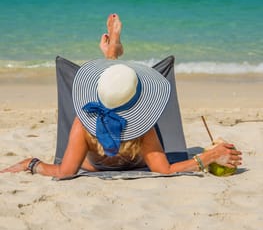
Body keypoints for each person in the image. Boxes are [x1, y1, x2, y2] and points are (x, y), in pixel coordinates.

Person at [0, 14, 242, 177]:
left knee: (116, 86)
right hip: (137, 160)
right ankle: (112, 55)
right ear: (141, 103)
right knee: (121, 87)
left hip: (93, 164)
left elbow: (65, 172)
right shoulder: (143, 123)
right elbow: (165, 170)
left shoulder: (84, 121)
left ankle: (112, 56)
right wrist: (209, 156)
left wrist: (31, 164)